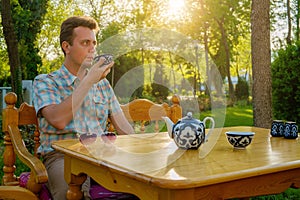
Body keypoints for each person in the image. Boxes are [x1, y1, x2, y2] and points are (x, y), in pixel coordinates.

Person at [33, 16, 135, 199]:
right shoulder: (46, 82)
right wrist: (88, 81)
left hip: (101, 153)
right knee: (70, 193)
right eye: (85, 43)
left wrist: (145, 149)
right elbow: (58, 120)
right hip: (62, 156)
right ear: (67, 47)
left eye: (94, 43)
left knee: (145, 184)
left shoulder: (102, 85)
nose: (92, 49)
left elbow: (124, 128)